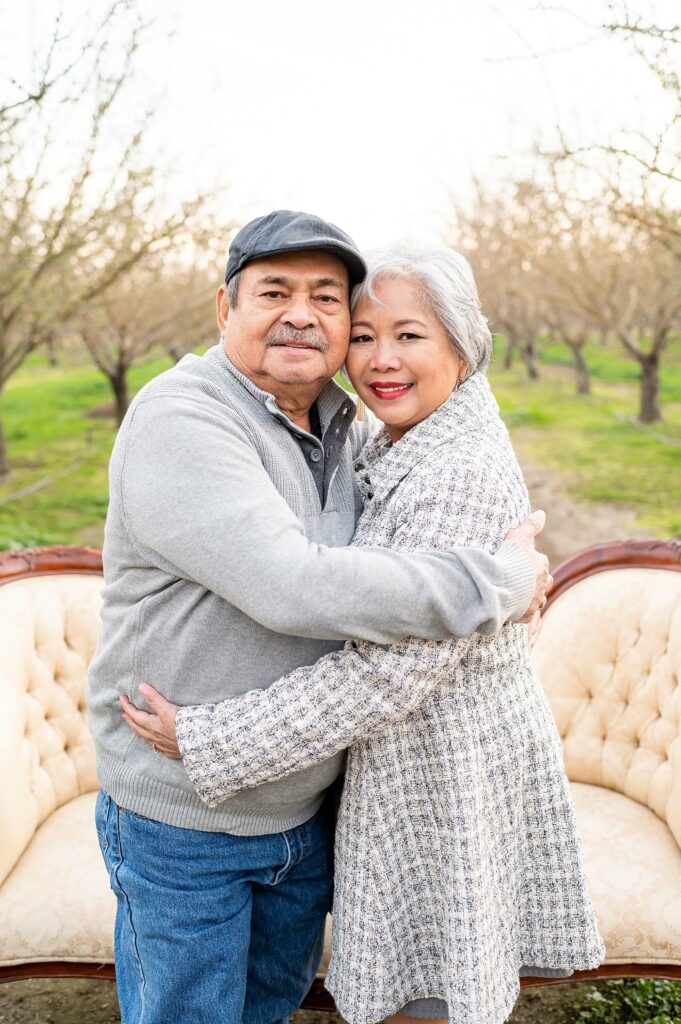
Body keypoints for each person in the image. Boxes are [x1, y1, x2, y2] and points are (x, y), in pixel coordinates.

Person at [88, 210, 551, 1024]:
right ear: (223, 308)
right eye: (274, 291)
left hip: (301, 814)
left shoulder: (345, 426)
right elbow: (290, 584)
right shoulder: (184, 418)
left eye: (327, 298)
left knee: (267, 1010)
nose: (302, 314)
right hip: (188, 819)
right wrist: (497, 583)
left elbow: (388, 570)